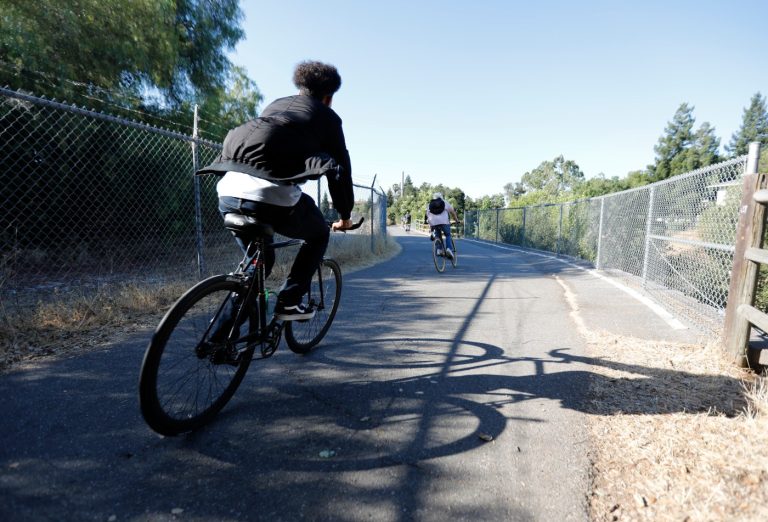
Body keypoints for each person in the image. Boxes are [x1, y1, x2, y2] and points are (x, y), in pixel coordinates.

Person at [197, 60, 355, 320]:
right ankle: (289, 302)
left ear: (300, 87)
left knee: (260, 265)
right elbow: (340, 170)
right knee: (317, 235)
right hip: (269, 195)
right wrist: (345, 214)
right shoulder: (327, 117)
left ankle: (222, 334)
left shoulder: (276, 105)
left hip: (228, 189)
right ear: (329, 97)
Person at [425, 192, 459, 258]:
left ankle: (439, 249)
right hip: (444, 222)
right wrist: (456, 220)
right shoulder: (445, 202)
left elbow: (427, 214)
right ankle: (449, 249)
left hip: (434, 223)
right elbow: (452, 212)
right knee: (448, 234)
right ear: (441, 197)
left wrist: (430, 223)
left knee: (438, 235)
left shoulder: (429, 204)